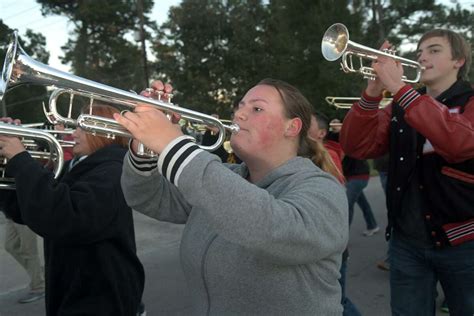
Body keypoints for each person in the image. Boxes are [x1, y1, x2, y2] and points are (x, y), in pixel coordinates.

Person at [115, 78, 349, 315]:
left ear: (292, 127)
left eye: (256, 109)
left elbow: (273, 230)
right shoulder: (225, 177)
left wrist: (173, 145)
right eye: (240, 106)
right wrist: (142, 147)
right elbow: (146, 196)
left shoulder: (324, 189)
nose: (239, 115)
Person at [340, 29, 474, 315]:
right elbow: (355, 146)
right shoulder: (402, 105)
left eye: (434, 50)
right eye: (419, 52)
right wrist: (373, 92)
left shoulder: (469, 101)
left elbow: (459, 143)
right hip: (406, 243)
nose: (422, 57)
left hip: (464, 242)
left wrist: (401, 89)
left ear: (458, 60)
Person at [0, 105, 145, 315]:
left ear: (105, 132)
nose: (73, 133)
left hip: (102, 298)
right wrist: (8, 163)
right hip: (73, 291)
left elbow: (65, 218)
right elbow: (26, 210)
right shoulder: (78, 166)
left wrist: (22, 161)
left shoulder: (115, 170)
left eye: (81, 127)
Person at [309, 111, 361, 316]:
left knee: (338, 302)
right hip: (320, 244)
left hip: (329, 245)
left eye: (308, 122)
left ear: (321, 133)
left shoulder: (328, 154)